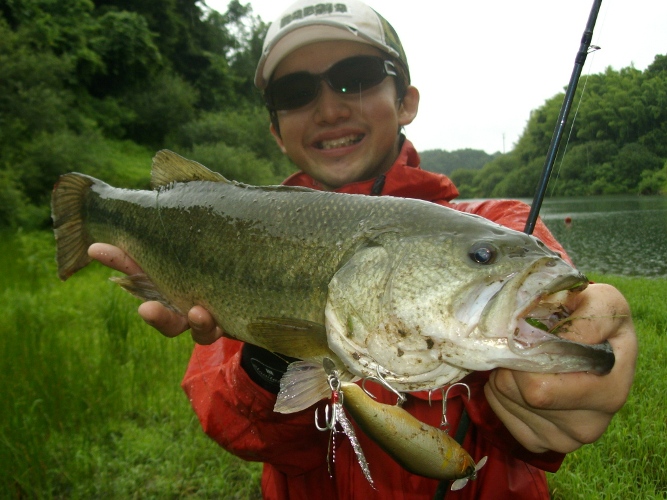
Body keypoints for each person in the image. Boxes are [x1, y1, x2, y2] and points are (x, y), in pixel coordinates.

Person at [89, 1, 637, 498]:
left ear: (405, 101)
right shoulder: (236, 229)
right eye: (295, 93)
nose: (329, 109)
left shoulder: (498, 226)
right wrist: (269, 358)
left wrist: (573, 376)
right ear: (276, 130)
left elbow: (575, 320)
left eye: (356, 79)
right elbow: (233, 424)